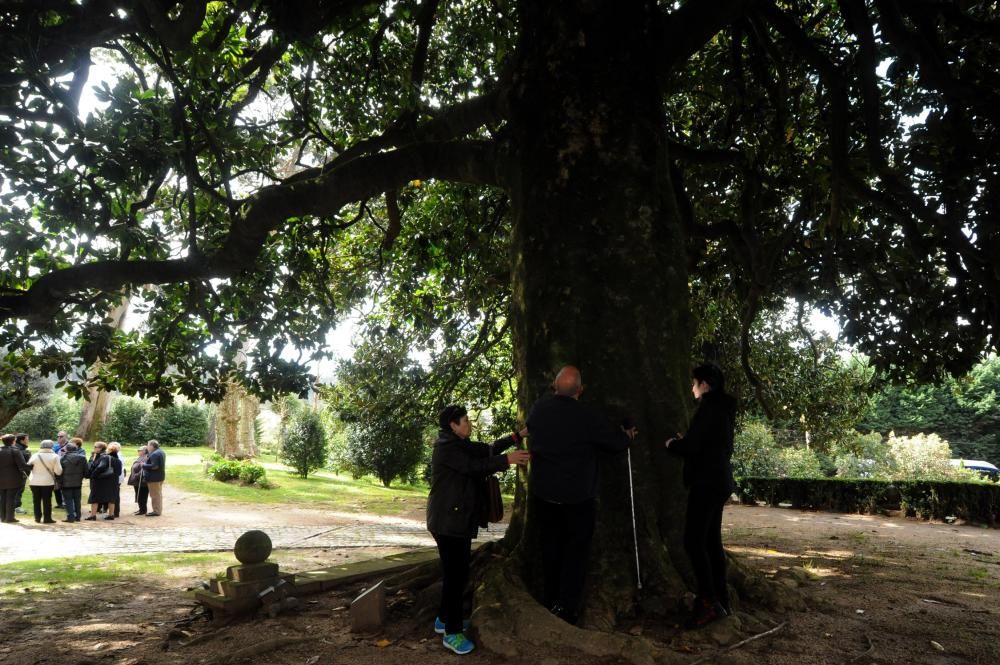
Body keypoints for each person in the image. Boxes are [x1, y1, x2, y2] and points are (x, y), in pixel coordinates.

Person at [526, 365, 636, 625]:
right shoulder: (586, 415)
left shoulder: (539, 408)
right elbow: (614, 443)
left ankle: (550, 598)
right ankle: (566, 608)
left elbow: (531, 427)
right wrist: (627, 436)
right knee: (575, 553)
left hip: (545, 494)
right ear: (581, 390)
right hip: (577, 498)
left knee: (550, 549)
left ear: (554, 387)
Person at [426, 404, 530, 655]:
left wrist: (517, 437)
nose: (469, 423)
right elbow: (473, 467)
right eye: (465, 420)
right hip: (448, 523)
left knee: (456, 572)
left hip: (455, 520)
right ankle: (452, 633)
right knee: (456, 576)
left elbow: (488, 450)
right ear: (453, 425)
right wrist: (508, 460)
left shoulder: (460, 443)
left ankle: (443, 620)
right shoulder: (447, 448)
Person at [665, 363, 738, 628]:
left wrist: (673, 444)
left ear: (704, 384)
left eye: (694, 382)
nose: (692, 387)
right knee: (710, 542)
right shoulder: (723, 409)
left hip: (706, 483)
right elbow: (710, 444)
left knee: (694, 542)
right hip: (718, 480)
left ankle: (708, 602)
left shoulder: (709, 409)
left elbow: (694, 447)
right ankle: (721, 600)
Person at [27, 440, 63, 524]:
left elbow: (28, 466)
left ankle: (37, 518)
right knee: (47, 501)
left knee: (36, 500)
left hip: (34, 481)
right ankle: (47, 518)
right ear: (51, 446)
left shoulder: (35, 455)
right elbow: (58, 471)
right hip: (47, 482)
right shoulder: (55, 456)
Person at [0, 433, 31, 523]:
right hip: (13, 478)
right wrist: (31, 467)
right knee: (11, 498)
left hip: (1, 478)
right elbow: (22, 464)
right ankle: (9, 517)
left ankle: (3, 517)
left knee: (3, 497)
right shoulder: (15, 451)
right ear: (13, 441)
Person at [85, 442, 119, 521]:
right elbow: (119, 472)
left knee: (94, 497)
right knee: (111, 498)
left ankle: (93, 515)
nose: (94, 448)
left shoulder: (104, 458)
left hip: (100, 481)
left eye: (95, 447)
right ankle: (111, 515)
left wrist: (93, 475)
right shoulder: (117, 460)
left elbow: (101, 467)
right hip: (113, 482)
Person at [59, 442, 87, 522]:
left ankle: (70, 516)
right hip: (78, 482)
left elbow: (60, 471)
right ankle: (78, 516)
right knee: (77, 500)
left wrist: (59, 480)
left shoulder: (63, 458)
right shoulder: (82, 458)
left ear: (67, 449)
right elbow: (86, 471)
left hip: (66, 483)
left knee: (68, 500)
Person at [141, 440, 166, 517]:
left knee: (155, 495)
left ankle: (156, 511)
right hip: (160, 476)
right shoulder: (161, 451)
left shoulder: (154, 454)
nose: (147, 447)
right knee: (158, 494)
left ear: (152, 446)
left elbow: (155, 466)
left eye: (148, 445)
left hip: (154, 478)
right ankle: (158, 510)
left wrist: (144, 465)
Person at [12, 433, 31, 514]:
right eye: (27, 439)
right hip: (20, 474)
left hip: (12, 474)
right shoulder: (21, 451)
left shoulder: (14, 448)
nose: (28, 441)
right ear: (22, 440)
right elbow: (26, 464)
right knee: (18, 491)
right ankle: (16, 507)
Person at [128, 445, 149, 514]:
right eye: (138, 450)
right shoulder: (140, 457)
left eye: (140, 450)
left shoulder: (146, 458)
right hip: (137, 480)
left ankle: (143, 510)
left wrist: (136, 475)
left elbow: (144, 469)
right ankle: (141, 508)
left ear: (144, 451)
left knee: (142, 495)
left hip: (141, 480)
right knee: (138, 495)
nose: (138, 451)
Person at [53, 431, 69, 508]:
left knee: (64, 487)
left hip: (66, 470)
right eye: (58, 436)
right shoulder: (55, 446)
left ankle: (65, 503)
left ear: (66, 437)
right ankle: (59, 503)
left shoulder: (70, 446)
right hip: (56, 469)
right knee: (56, 487)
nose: (59, 438)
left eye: (61, 436)